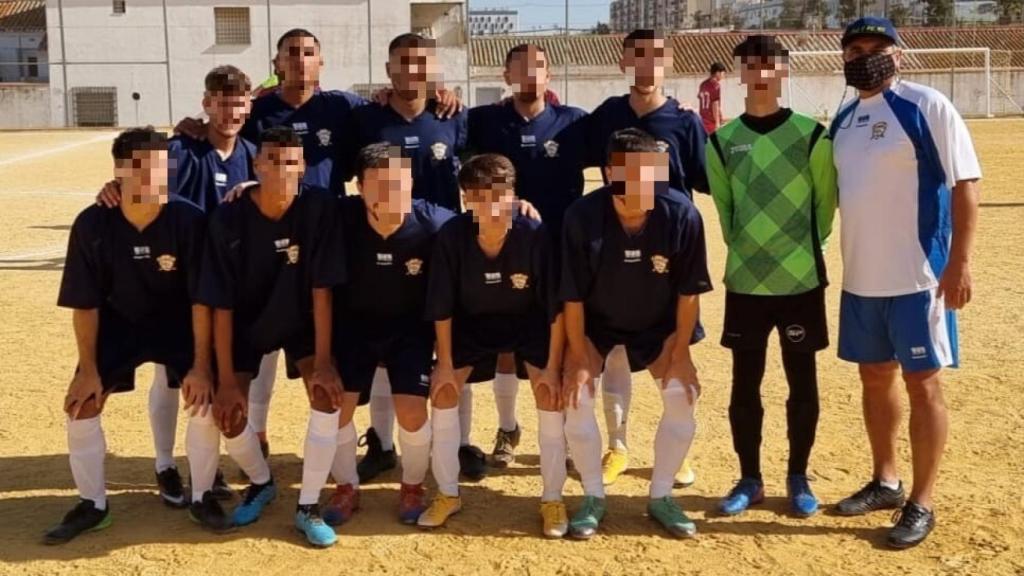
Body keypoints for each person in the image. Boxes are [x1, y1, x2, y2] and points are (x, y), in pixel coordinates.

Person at [829, 17, 981, 549]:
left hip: (918, 276)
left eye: (877, 47)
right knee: (874, 376)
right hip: (861, 276)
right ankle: (887, 480)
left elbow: (965, 184)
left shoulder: (927, 106)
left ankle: (923, 500)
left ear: (899, 55)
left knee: (923, 382)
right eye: (855, 48)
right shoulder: (844, 119)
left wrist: (959, 262)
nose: (865, 55)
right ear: (844, 56)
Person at [92, 65, 256, 505]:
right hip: (176, 285)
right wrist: (115, 185)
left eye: (238, 102)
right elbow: (142, 175)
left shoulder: (255, 156)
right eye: (221, 102)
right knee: (170, 379)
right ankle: (166, 463)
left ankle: (208, 468)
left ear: (249, 106)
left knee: (219, 376)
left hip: (226, 287)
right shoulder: (181, 150)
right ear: (206, 104)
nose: (230, 111)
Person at [45, 128, 208, 544]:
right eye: (136, 167)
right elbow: (85, 302)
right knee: (81, 404)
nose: (149, 176)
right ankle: (92, 504)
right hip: (119, 323)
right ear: (118, 171)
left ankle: (203, 495)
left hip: (177, 325)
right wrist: (88, 368)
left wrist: (203, 366)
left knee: (204, 397)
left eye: (157, 166)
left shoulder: (188, 219)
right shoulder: (93, 223)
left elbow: (202, 300)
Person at [705, 35, 837, 518]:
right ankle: (750, 477)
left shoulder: (812, 136)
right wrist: (751, 251)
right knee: (746, 384)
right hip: (746, 282)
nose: (760, 71)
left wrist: (801, 250)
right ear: (740, 72)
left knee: (802, 382)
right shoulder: (721, 141)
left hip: (800, 280)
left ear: (783, 72)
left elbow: (825, 207)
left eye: (770, 63)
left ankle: (798, 475)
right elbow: (726, 211)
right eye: (752, 63)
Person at [198, 126, 348, 547]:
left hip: (301, 320)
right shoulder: (228, 216)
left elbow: (322, 289)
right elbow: (221, 305)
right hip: (246, 324)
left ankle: (309, 505)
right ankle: (262, 483)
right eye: (272, 161)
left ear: (302, 166)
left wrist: (321, 360)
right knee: (226, 413)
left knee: (326, 396)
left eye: (290, 162)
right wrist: (226, 380)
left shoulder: (319, 206)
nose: (281, 170)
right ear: (256, 165)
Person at [561, 128, 711, 540]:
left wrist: (680, 353)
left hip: (658, 326)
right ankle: (593, 497)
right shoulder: (581, 217)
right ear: (610, 172)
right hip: (597, 326)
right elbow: (571, 298)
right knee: (575, 398)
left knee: (683, 396)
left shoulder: (681, 215)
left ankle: (661, 497)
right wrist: (577, 359)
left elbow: (689, 294)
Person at [585, 29, 709, 488]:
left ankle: (678, 450)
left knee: (672, 345)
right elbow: (556, 147)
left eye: (655, 57)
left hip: (668, 246)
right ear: (623, 63)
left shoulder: (684, 121)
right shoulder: (607, 117)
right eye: (637, 56)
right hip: (617, 241)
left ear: (668, 63)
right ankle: (618, 446)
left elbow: (710, 180)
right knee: (615, 348)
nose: (646, 64)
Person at [419, 154, 567, 537]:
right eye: (481, 196)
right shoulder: (452, 236)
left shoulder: (534, 233)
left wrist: (551, 367)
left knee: (550, 396)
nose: (493, 204)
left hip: (528, 324)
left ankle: (553, 498)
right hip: (473, 324)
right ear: (466, 199)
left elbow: (554, 308)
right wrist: (446, 365)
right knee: (445, 393)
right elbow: (442, 307)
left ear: (514, 194)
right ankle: (448, 494)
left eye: (501, 194)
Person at [463, 43, 587, 468]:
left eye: (538, 66)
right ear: (506, 76)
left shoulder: (574, 123)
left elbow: (628, 145)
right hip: (507, 248)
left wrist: (680, 108)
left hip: (561, 249)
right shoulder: (484, 121)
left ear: (550, 75)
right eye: (520, 67)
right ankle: (508, 427)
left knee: (565, 341)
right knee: (506, 344)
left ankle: (567, 436)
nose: (530, 74)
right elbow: (438, 129)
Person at [323, 142, 454, 527]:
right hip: (355, 328)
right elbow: (294, 204)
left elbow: (482, 222)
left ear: (411, 181)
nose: (390, 193)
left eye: (399, 183)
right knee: (336, 408)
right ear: (359, 188)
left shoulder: (434, 223)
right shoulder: (341, 216)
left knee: (412, 412)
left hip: (409, 331)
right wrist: (246, 188)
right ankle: (346, 486)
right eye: (378, 185)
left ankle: (412, 485)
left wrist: (517, 208)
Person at [698, 62, 726, 134]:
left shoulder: (703, 84)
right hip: (711, 121)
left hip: (702, 120)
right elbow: (715, 104)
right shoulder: (715, 85)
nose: (723, 76)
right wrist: (717, 122)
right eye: (723, 73)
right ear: (717, 73)